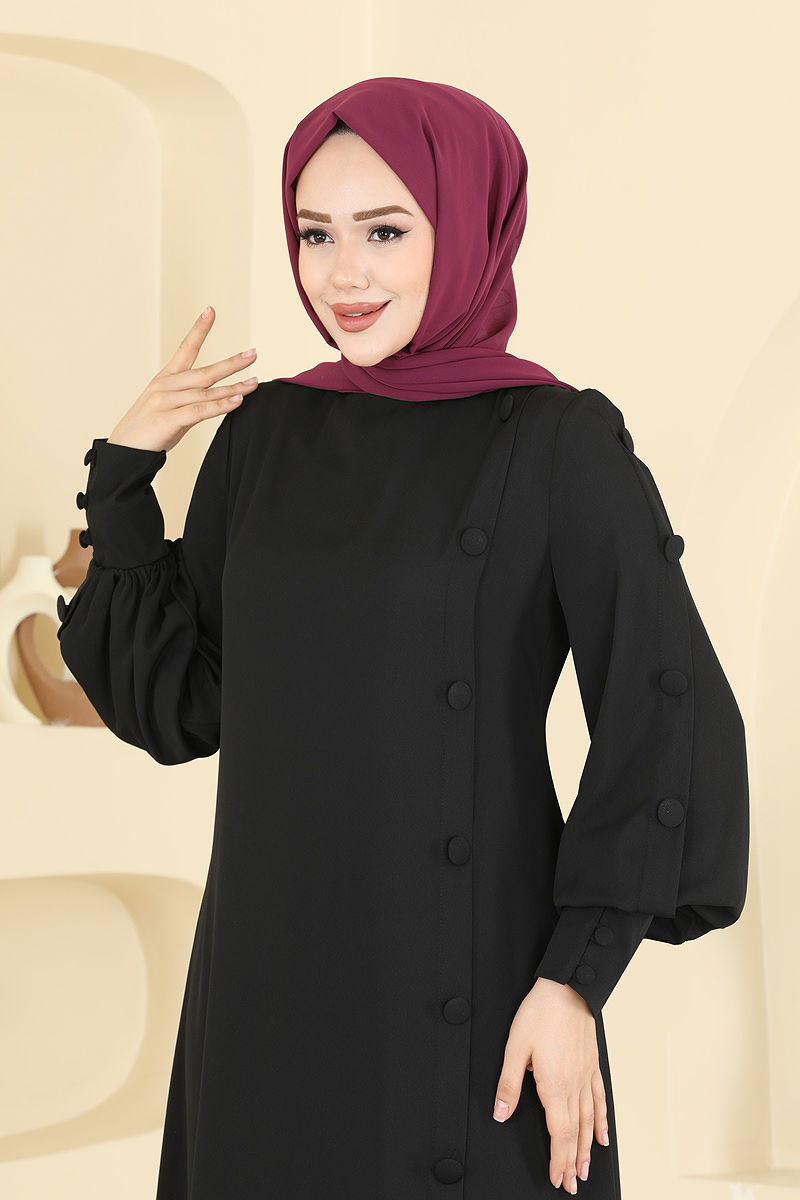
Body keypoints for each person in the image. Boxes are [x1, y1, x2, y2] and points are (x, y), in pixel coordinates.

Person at [56, 77, 750, 1198]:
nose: (344, 275)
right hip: (266, 999)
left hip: (475, 994)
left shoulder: (557, 441)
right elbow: (182, 706)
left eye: (385, 232)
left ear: (468, 225)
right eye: (315, 234)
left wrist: (574, 981)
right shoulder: (265, 435)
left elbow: (661, 711)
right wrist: (124, 477)